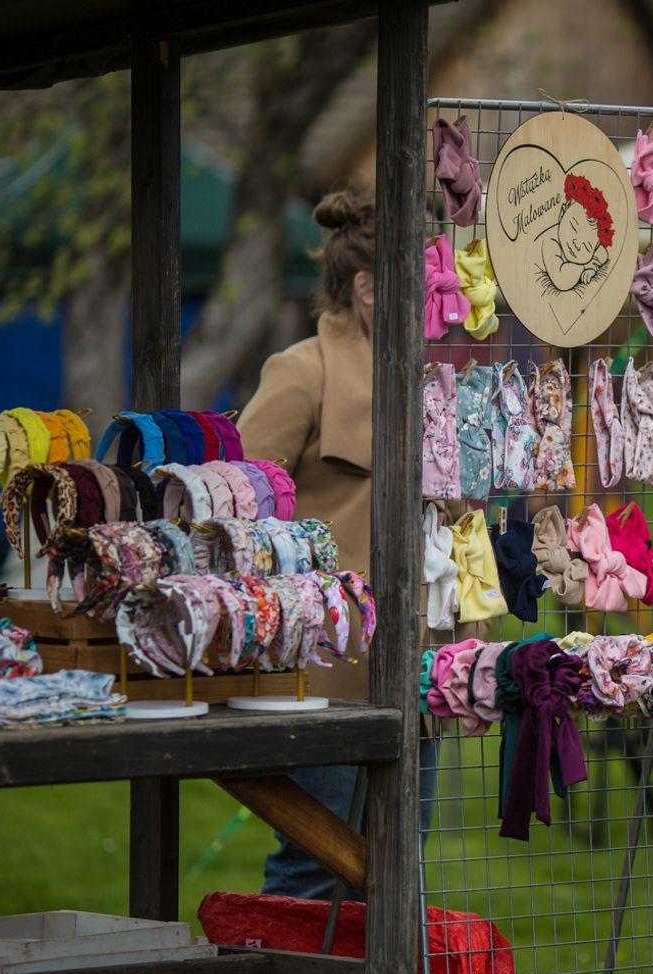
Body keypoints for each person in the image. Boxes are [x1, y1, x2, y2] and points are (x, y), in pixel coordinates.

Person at [238, 190, 436, 900]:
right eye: (423, 279)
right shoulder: (301, 371)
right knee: (312, 866)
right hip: (324, 673)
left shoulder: (429, 379)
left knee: (398, 866)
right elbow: (235, 509)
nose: (439, 294)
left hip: (413, 667)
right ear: (368, 288)